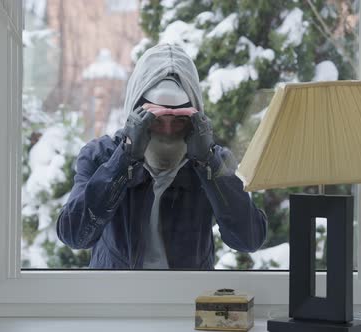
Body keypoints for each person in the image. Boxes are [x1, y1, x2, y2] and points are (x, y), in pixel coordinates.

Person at [56, 44, 267, 269]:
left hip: (188, 298)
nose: (167, 132)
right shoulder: (101, 156)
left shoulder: (212, 162)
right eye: (156, 120)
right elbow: (75, 235)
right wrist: (124, 160)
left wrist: (208, 164)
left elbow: (249, 239)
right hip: (116, 298)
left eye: (179, 121)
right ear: (135, 115)